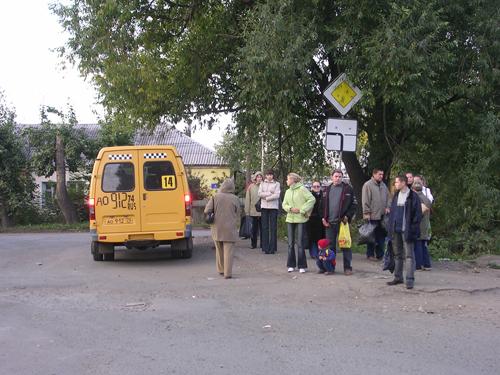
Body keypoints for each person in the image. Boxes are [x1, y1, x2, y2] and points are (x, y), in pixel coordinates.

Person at [386, 175, 422, 289]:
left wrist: (412, 229)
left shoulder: (413, 196)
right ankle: (398, 277)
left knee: (409, 256)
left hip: (407, 231)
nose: (395, 184)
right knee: (397, 255)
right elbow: (393, 213)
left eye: (397, 182)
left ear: (403, 183)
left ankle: (410, 280)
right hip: (395, 230)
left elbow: (417, 215)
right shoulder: (396, 195)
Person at [321, 169, 358, 275]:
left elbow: (354, 205)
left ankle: (348, 268)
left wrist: (348, 216)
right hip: (329, 223)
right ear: (331, 177)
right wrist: (323, 219)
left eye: (340, 176)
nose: (338, 178)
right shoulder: (326, 190)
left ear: (342, 177)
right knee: (330, 247)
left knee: (345, 246)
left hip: (342, 223)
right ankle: (330, 268)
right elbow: (321, 207)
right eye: (336, 176)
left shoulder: (348, 189)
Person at [204, 178, 241, 279]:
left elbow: (207, 210)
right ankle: (227, 273)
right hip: (230, 228)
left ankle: (221, 269)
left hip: (217, 227)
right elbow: (238, 213)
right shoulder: (235, 198)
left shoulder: (215, 197)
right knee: (228, 251)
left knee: (219, 250)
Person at [282, 173, 315, 273]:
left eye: (287, 179)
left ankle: (302, 266)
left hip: (301, 219)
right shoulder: (287, 191)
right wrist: (290, 208)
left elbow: (312, 199)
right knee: (290, 243)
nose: (286, 181)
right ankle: (291, 265)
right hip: (290, 219)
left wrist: (302, 210)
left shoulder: (302, 189)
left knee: (300, 243)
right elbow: (284, 204)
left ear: (293, 180)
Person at [361, 168, 390, 260]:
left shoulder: (383, 185)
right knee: (371, 236)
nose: (381, 176)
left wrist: (388, 207)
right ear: (374, 174)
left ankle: (380, 254)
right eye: (379, 174)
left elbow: (389, 198)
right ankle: (370, 254)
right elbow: (365, 200)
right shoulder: (368, 185)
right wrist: (366, 213)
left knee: (381, 236)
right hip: (372, 215)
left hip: (382, 216)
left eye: (382, 174)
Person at [258, 169, 281, 254]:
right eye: (268, 175)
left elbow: (277, 195)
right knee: (265, 227)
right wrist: (269, 193)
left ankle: (273, 248)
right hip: (264, 207)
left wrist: (267, 197)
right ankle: (265, 248)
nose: (269, 176)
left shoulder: (277, 184)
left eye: (271, 175)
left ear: (273, 175)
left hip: (273, 207)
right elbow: (259, 193)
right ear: (266, 176)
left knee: (273, 227)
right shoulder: (262, 183)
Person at [412, 180, 432, 271]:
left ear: (413, 188)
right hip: (425, 225)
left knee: (417, 245)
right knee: (424, 245)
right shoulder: (426, 199)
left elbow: (415, 213)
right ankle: (427, 264)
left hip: (418, 225)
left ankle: (418, 265)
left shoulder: (415, 198)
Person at [306, 181, 325, 259]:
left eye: (318, 186)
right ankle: (313, 253)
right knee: (312, 237)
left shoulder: (323, 196)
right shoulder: (309, 196)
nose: (316, 188)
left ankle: (321, 252)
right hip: (312, 219)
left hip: (321, 219)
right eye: (314, 186)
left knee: (321, 237)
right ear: (312, 188)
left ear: (320, 187)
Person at [244, 171, 263, 249]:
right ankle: (253, 244)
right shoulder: (251, 187)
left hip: (263, 212)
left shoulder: (265, 186)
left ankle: (263, 244)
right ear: (255, 178)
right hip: (253, 211)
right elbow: (248, 199)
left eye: (260, 177)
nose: (259, 178)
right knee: (253, 229)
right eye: (258, 177)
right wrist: (247, 211)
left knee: (263, 230)